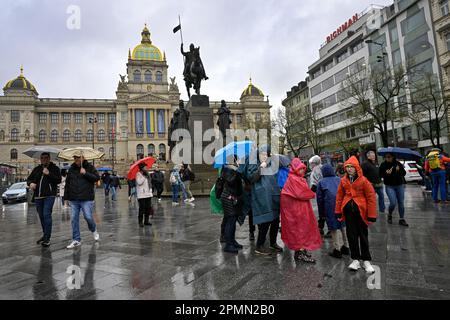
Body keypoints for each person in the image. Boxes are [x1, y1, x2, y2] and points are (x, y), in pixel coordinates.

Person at [335, 156, 377, 273]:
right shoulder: (343, 181)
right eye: (347, 167)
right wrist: (338, 211)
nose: (348, 169)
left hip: (361, 212)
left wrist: (371, 214)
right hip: (349, 213)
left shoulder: (363, 181)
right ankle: (355, 259)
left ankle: (366, 260)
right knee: (351, 236)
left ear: (356, 168)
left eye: (351, 167)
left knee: (363, 236)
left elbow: (371, 197)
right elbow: (339, 197)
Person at [281, 158, 322, 263]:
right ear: (295, 169)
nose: (302, 170)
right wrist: (312, 193)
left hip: (299, 211)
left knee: (302, 231)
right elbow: (301, 193)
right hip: (296, 212)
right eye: (300, 169)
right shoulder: (294, 179)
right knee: (299, 232)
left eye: (303, 168)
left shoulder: (296, 178)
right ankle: (299, 253)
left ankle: (302, 251)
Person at [246, 145, 283, 255]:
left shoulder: (272, 164)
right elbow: (252, 178)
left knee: (275, 220)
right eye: (262, 154)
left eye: (266, 154)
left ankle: (273, 242)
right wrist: (261, 167)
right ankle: (259, 245)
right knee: (265, 221)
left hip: (273, 196)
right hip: (262, 197)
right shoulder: (254, 165)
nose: (264, 156)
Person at [65, 152, 100, 249]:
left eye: (78, 158)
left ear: (83, 158)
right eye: (75, 158)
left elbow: (97, 178)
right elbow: (67, 184)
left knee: (88, 217)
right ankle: (76, 239)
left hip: (86, 198)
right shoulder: (71, 169)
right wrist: (66, 198)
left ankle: (93, 229)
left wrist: (86, 173)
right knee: (73, 219)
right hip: (74, 198)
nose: (76, 160)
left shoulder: (89, 167)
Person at [26, 152, 62, 247]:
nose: (44, 159)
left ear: (49, 158)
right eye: (42, 158)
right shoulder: (37, 169)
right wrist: (30, 184)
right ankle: (45, 235)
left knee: (46, 215)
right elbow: (29, 179)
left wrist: (49, 173)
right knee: (41, 217)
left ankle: (47, 238)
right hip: (38, 196)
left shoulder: (55, 168)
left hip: (49, 195)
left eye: (46, 158)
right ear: (40, 159)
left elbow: (58, 180)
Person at [316, 164, 349, 259]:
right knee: (343, 226)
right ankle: (346, 247)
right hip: (341, 206)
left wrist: (321, 214)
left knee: (333, 228)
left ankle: (337, 249)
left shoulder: (321, 183)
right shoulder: (339, 179)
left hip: (329, 208)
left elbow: (319, 200)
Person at [220, 156, 244, 254]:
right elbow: (231, 181)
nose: (238, 160)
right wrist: (238, 171)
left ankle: (232, 241)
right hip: (228, 197)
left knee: (232, 220)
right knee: (230, 220)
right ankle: (228, 244)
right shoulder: (227, 168)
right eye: (237, 159)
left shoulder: (231, 168)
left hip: (232, 196)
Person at [379, 153, 408, 226]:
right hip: (389, 186)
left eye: (389, 157)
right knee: (393, 203)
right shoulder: (383, 165)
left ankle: (402, 219)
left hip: (399, 185)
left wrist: (399, 170)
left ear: (392, 157)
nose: (387, 158)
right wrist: (386, 174)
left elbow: (404, 173)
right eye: (386, 157)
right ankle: (390, 214)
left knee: (401, 202)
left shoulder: (398, 164)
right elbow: (380, 175)